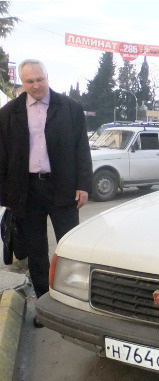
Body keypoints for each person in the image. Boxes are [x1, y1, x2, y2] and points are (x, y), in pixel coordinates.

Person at [0, 59, 92, 327]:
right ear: (22, 82)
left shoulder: (70, 108)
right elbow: (3, 157)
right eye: (29, 81)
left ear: (47, 77)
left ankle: (74, 302)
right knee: (36, 251)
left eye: (39, 79)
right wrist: (6, 196)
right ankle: (44, 305)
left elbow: (81, 149)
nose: (36, 85)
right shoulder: (9, 113)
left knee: (69, 247)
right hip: (27, 191)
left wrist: (83, 184)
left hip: (63, 187)